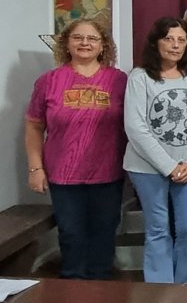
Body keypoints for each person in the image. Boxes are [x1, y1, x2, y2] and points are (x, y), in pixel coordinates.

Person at [25, 19, 126, 280]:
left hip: (107, 173)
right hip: (63, 175)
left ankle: (101, 289)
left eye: (92, 38)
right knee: (71, 234)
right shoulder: (49, 81)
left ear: (103, 46)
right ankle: (72, 289)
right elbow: (34, 125)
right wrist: (35, 168)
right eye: (78, 38)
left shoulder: (119, 80)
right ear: (66, 44)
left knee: (104, 233)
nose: (85, 43)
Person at [124, 17, 187, 284]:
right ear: (155, 43)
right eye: (169, 39)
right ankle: (160, 289)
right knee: (158, 229)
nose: (175, 45)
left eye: (181, 40)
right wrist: (169, 166)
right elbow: (136, 128)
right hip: (147, 168)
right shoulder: (140, 77)